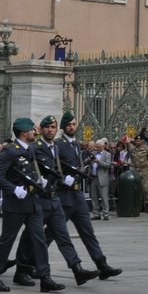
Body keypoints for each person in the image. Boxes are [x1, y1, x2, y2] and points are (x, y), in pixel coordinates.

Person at [13, 116, 91, 287]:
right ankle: (21, 270)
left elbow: (58, 169)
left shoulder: (56, 146)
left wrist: (65, 179)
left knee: (63, 236)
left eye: (53, 127)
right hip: (39, 198)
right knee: (31, 237)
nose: (50, 130)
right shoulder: (35, 147)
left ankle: (77, 269)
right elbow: (38, 169)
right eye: (47, 127)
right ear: (40, 129)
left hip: (54, 198)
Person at [0, 118, 58, 293]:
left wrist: (40, 180)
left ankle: (45, 277)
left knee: (39, 240)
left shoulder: (30, 149)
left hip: (32, 202)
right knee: (6, 242)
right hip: (15, 205)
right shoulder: (10, 151)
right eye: (33, 130)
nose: (36, 131)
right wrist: (13, 189)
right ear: (25, 132)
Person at [55, 112, 121, 279]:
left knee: (88, 232)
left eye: (74, 124)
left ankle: (102, 264)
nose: (72, 127)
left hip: (77, 196)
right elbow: (54, 167)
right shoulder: (58, 144)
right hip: (64, 196)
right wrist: (63, 179)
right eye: (69, 124)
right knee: (53, 233)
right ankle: (28, 263)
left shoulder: (76, 144)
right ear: (64, 127)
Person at [91, 137, 113, 219]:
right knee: (94, 197)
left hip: (102, 178)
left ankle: (106, 214)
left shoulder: (107, 154)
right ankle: (96, 214)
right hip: (93, 177)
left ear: (103, 147)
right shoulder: (93, 153)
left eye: (98, 147)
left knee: (104, 197)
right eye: (96, 147)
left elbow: (107, 165)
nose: (97, 149)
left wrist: (98, 161)